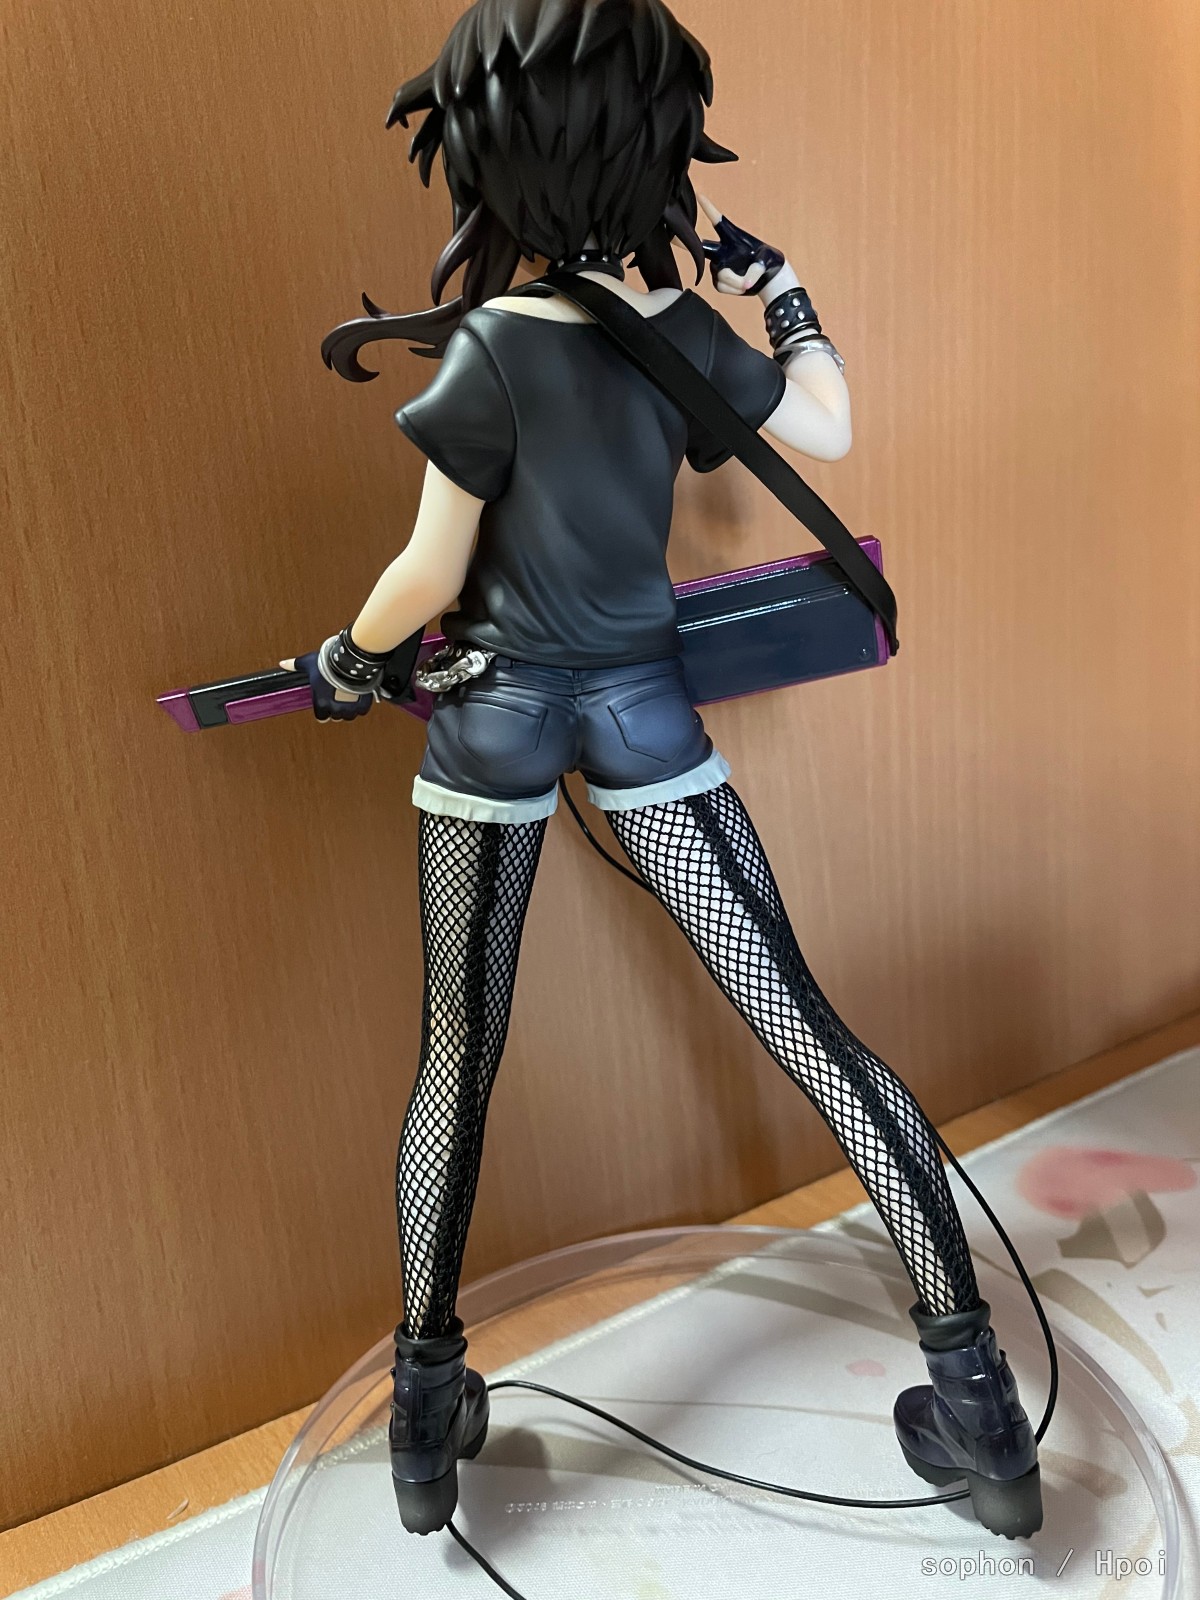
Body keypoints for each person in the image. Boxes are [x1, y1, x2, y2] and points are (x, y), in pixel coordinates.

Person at [287, 0, 1042, 1542]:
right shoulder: (681, 334)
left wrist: (347, 663)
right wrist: (784, 288)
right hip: (644, 714)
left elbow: (429, 573)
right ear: (657, 156)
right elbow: (826, 423)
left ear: (489, 161)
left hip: (495, 722)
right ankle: (979, 1410)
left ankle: (426, 1420)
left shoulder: (491, 348)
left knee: (457, 1059)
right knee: (808, 1023)